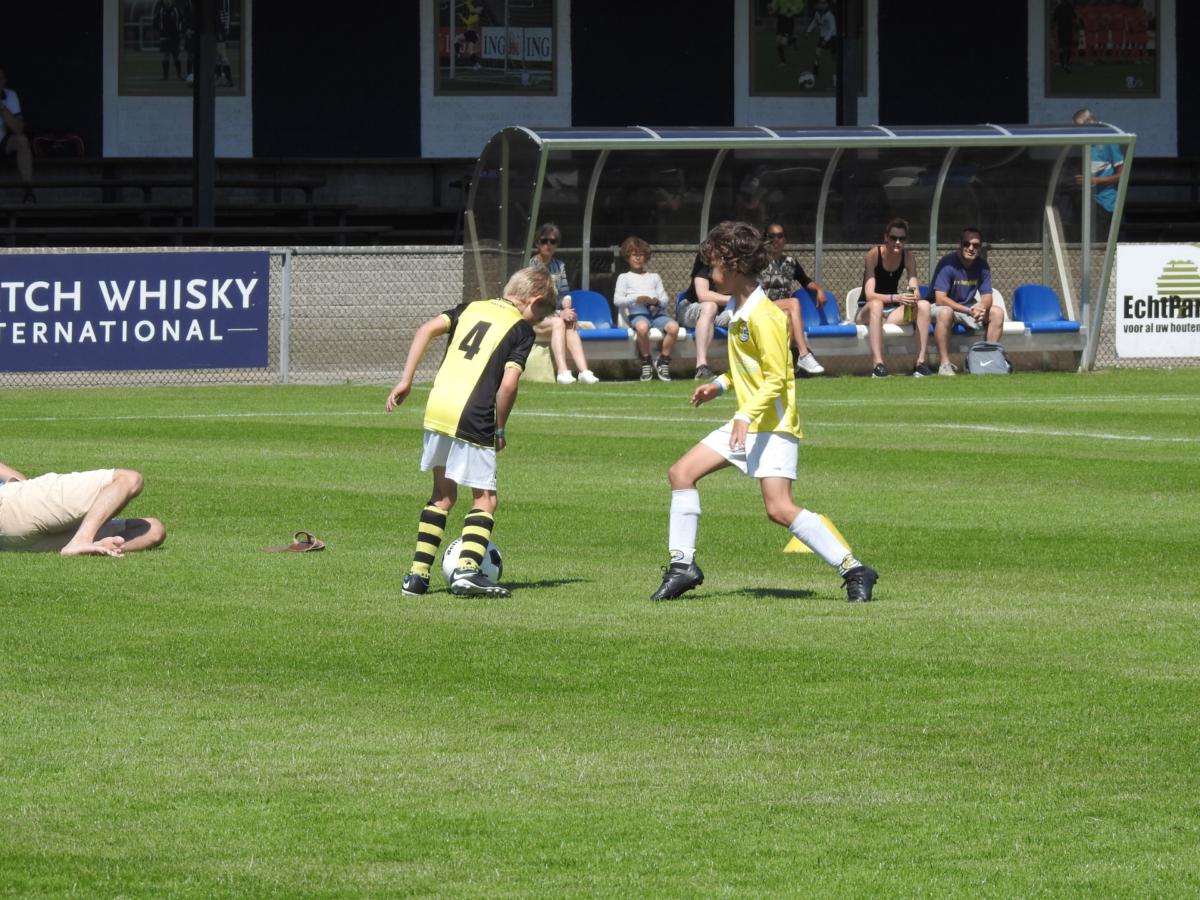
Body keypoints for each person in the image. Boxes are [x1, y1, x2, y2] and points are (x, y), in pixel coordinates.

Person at [650, 221, 878, 604]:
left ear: (735, 265)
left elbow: (778, 378)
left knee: (779, 508)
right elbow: (750, 369)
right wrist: (719, 385)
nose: (710, 274)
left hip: (772, 425)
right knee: (681, 472)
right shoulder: (742, 309)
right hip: (750, 420)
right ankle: (682, 566)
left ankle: (855, 569)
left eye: (715, 266)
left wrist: (743, 416)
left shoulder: (766, 316)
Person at [385, 266, 556, 598]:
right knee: (485, 499)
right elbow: (508, 385)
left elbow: (425, 329)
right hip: (474, 413)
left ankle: (417, 577)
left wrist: (406, 380)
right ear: (533, 301)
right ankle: (466, 571)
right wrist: (501, 426)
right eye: (540, 315)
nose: (536, 322)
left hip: (438, 406)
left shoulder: (470, 308)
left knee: (442, 495)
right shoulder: (520, 330)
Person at [0, 461, 166, 557]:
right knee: (129, 479)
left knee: (153, 531)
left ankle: (89, 543)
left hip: (12, 539)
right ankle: (82, 539)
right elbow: (20, 482)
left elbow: (19, 481)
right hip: (11, 503)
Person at [855, 218, 932, 377]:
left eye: (902, 239)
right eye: (894, 238)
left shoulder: (908, 257)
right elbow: (869, 295)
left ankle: (920, 363)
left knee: (924, 305)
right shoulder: (874, 254)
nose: (898, 242)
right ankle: (878, 365)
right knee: (876, 304)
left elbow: (914, 288)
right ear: (886, 237)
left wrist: (913, 296)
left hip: (890, 314)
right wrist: (897, 298)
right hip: (866, 311)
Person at [528, 223, 600, 385]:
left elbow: (565, 293)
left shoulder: (559, 265)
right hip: (535, 316)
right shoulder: (531, 266)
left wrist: (567, 308)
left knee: (569, 323)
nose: (548, 245)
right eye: (544, 241)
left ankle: (584, 371)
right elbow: (535, 298)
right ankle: (562, 371)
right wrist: (560, 313)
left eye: (553, 242)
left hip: (553, 314)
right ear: (537, 243)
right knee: (560, 322)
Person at [929, 227, 1005, 376]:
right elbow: (940, 298)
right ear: (960, 244)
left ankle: (988, 362)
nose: (971, 248)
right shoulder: (948, 263)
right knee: (945, 312)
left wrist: (981, 307)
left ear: (980, 247)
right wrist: (969, 311)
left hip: (967, 308)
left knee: (997, 313)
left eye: (975, 245)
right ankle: (944, 365)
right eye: (967, 244)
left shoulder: (982, 266)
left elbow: (987, 296)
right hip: (940, 307)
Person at [760, 222, 826, 377]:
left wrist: (819, 289)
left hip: (782, 310)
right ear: (766, 239)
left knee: (789, 315)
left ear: (785, 240)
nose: (776, 240)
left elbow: (805, 280)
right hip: (762, 307)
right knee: (794, 302)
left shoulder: (790, 262)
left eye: (780, 236)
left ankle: (781, 363)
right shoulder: (758, 261)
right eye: (772, 236)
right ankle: (803, 354)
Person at [612, 236, 679, 381]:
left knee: (674, 327)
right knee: (642, 327)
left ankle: (663, 360)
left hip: (657, 314)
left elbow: (665, 298)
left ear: (646, 257)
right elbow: (617, 301)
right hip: (638, 314)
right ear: (627, 257)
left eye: (641, 255)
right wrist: (636, 299)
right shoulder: (624, 277)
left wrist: (657, 302)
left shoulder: (654, 277)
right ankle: (646, 360)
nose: (638, 258)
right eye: (634, 255)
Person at [676, 252, 733, 380]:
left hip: (721, 314)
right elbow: (703, 296)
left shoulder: (737, 264)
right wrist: (734, 299)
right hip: (692, 310)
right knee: (710, 306)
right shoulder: (705, 261)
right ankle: (701, 366)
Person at [1073, 107, 1125, 238]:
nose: (1079, 132)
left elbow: (1122, 175)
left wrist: (1095, 181)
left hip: (1106, 203)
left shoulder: (1109, 141)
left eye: (1081, 127)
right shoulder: (1085, 144)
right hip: (1088, 200)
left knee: (1103, 239)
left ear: (1091, 122)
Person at [0, 65, 35, 203]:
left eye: (0, 78)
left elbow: (18, 129)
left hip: (2, 143)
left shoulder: (10, 95)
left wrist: (2, 107)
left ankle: (28, 191)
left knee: (21, 140)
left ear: (5, 81)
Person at [805, 0, 838, 85]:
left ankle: (836, 76)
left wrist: (825, 40)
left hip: (832, 38)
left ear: (826, 5)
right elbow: (814, 22)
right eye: (819, 3)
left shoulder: (829, 15)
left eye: (822, 3)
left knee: (834, 58)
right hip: (822, 37)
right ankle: (815, 73)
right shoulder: (817, 13)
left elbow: (832, 29)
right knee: (817, 54)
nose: (820, 5)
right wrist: (808, 31)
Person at [1052, 0, 1077, 72]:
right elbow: (1054, 20)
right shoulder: (1059, 7)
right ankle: (1064, 64)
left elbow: (1074, 18)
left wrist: (1075, 27)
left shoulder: (1069, 7)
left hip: (1067, 30)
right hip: (1063, 30)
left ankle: (1066, 64)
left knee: (1066, 47)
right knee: (1063, 47)